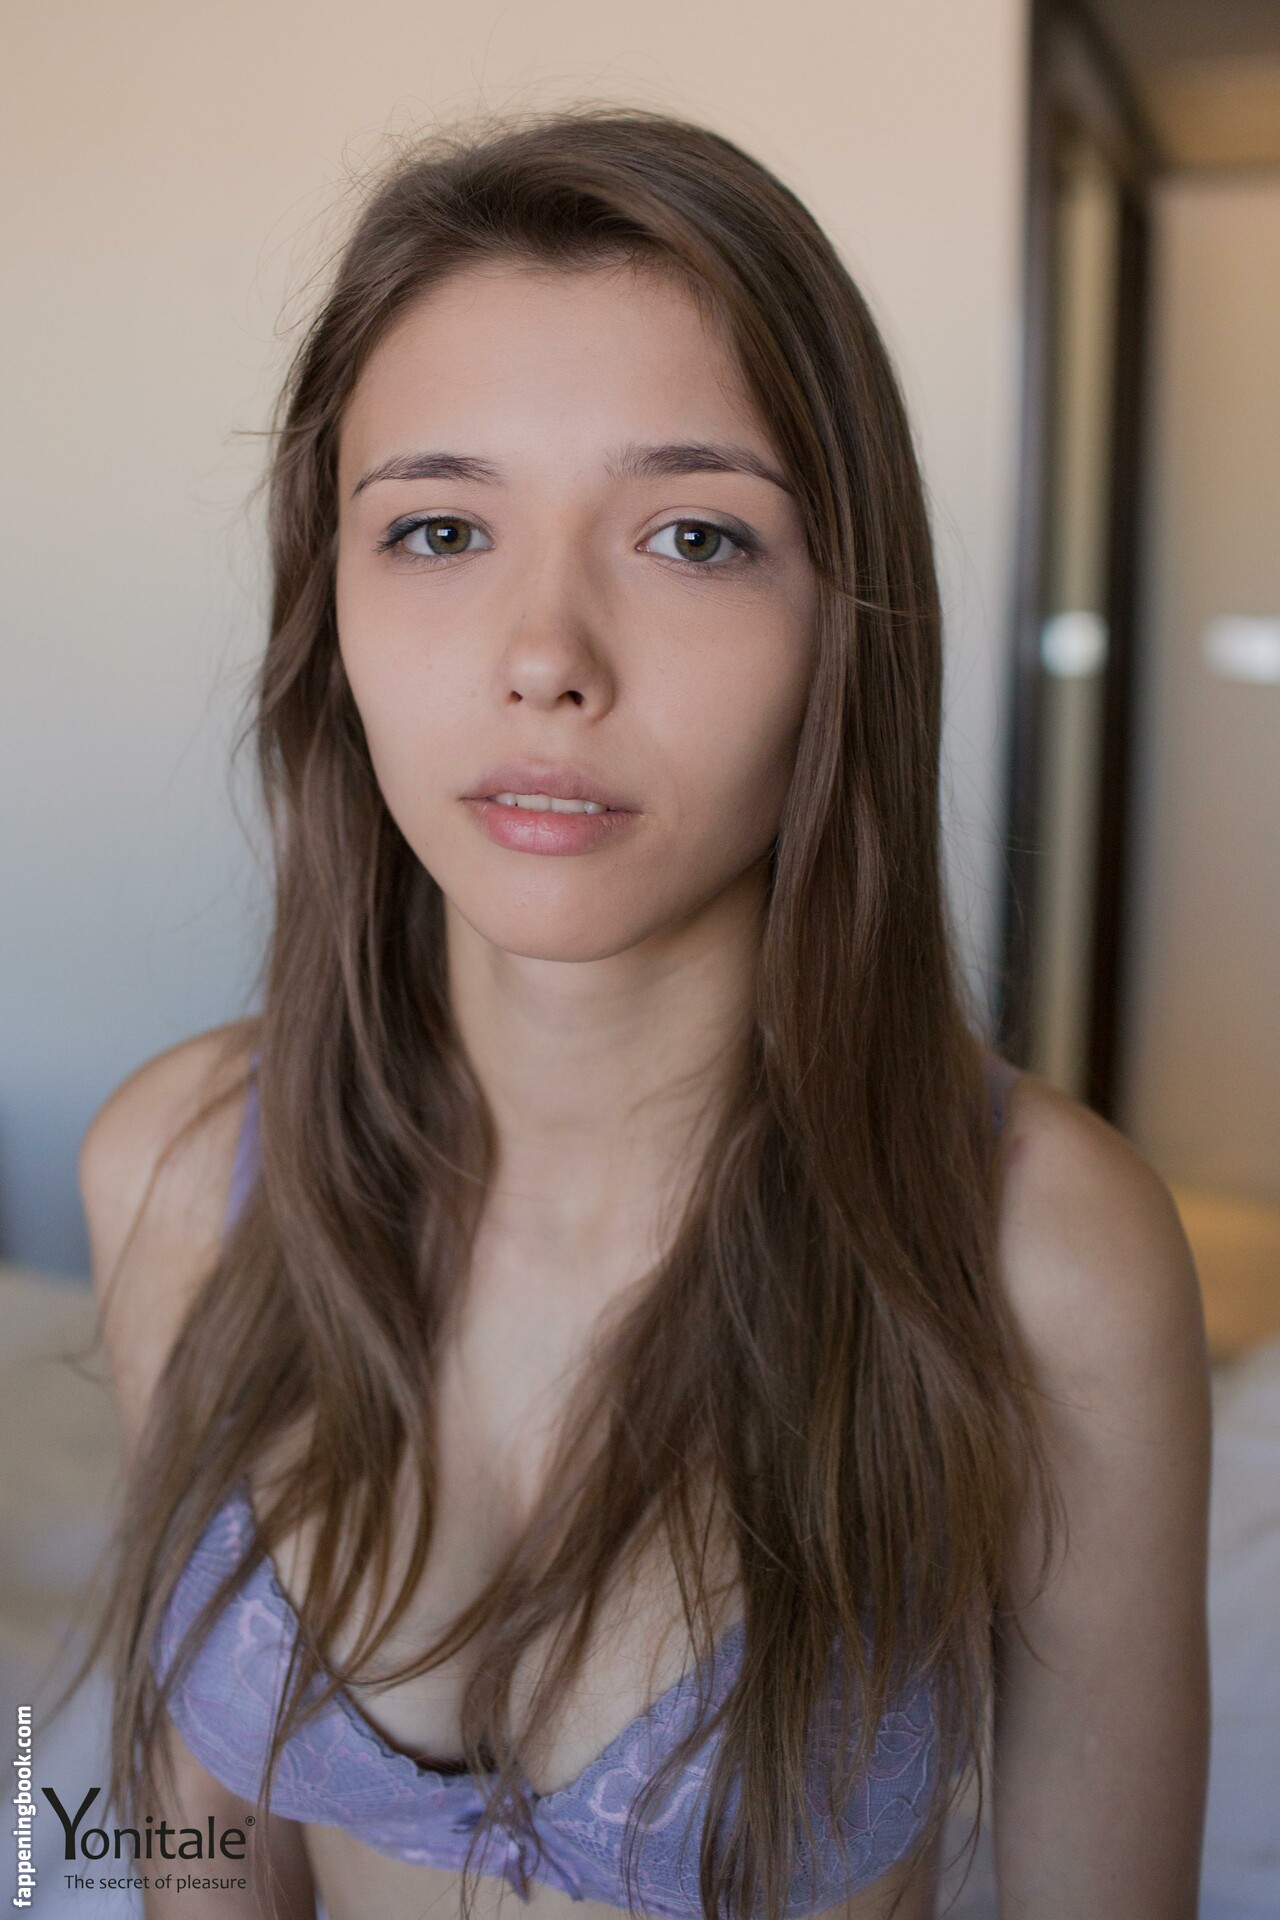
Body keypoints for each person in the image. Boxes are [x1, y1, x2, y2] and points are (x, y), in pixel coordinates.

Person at [77, 107, 1211, 1920]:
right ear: (329, 605)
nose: (546, 656)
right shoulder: (176, 1168)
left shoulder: (1045, 1253)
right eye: (438, 528)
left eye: (693, 535)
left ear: (844, 622)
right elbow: (196, 1850)